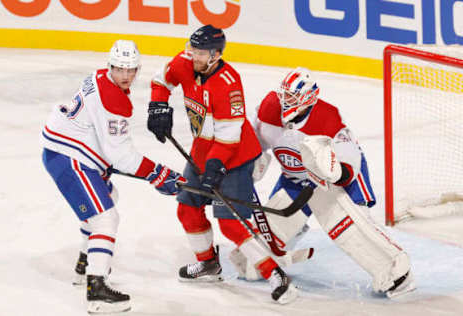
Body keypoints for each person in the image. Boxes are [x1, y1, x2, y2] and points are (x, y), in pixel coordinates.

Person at [147, 24, 298, 304]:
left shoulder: (229, 85)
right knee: (187, 208)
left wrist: (214, 170)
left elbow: (229, 138)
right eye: (192, 48)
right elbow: (161, 79)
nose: (193, 55)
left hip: (235, 158)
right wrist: (158, 106)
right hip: (203, 152)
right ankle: (208, 264)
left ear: (215, 55)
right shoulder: (186, 61)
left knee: (230, 223)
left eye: (200, 52)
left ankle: (277, 274)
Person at [239, 67, 416, 298]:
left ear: (308, 99)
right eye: (284, 95)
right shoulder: (269, 108)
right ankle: (291, 234)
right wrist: (246, 162)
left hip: (334, 179)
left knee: (350, 229)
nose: (285, 102)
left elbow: (349, 158)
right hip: (295, 178)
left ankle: (397, 274)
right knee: (250, 263)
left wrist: (336, 174)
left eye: (292, 98)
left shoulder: (328, 117)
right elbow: (255, 142)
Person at [40, 40, 185, 314]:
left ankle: (85, 263)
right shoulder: (114, 100)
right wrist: (159, 174)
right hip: (69, 158)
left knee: (109, 197)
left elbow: (101, 138)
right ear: (111, 66)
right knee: (106, 218)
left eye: (131, 70)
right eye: (120, 69)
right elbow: (121, 156)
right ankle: (96, 291)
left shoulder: (99, 77)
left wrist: (148, 172)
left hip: (66, 149)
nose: (126, 75)